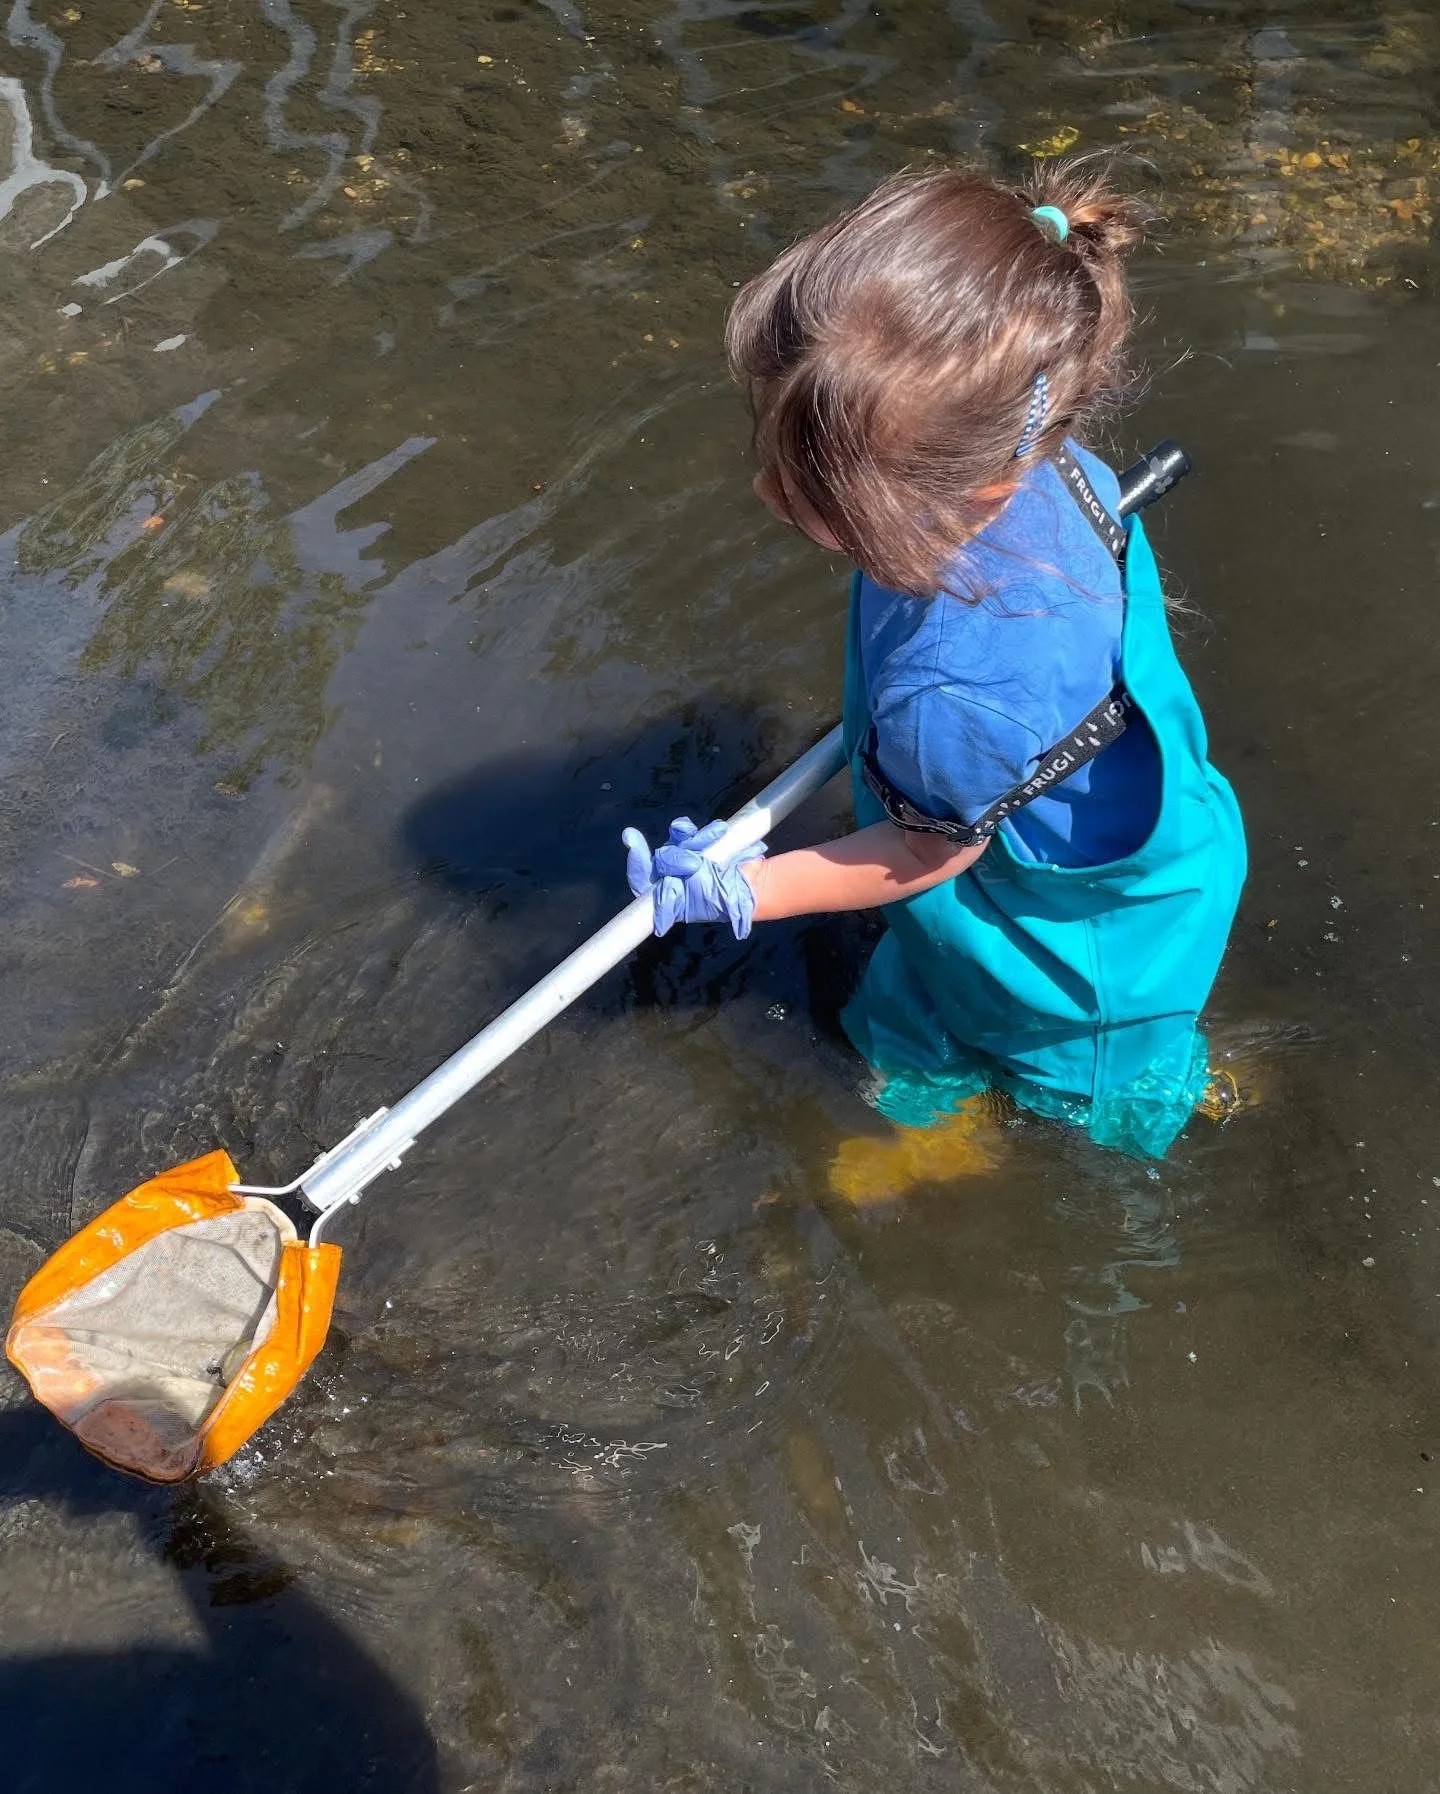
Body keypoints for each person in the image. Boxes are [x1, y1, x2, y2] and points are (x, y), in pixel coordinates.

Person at [622, 161, 1247, 1195]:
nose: (765, 490)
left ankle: (1136, 1102)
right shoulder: (1050, 457)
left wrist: (741, 891)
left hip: (1080, 945)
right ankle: (931, 1089)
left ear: (972, 486)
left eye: (814, 481)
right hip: (991, 822)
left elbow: (924, 858)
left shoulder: (957, 699)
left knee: (1086, 1090)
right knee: (912, 1007)